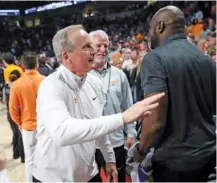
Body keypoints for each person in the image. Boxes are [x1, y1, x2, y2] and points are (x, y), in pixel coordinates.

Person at [31, 25, 164, 182]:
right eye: (87, 46)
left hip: (89, 174)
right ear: (67, 57)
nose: (94, 51)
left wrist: (109, 159)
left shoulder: (94, 82)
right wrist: (122, 118)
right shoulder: (50, 86)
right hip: (53, 178)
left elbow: (97, 125)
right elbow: (62, 133)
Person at [133, 5, 216, 182]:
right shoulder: (205, 59)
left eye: (150, 28)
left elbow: (155, 121)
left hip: (174, 163)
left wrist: (140, 151)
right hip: (208, 156)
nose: (149, 34)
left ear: (160, 27)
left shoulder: (155, 58)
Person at [89, 30, 137, 182]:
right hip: (90, 144)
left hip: (115, 141)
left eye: (106, 46)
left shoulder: (119, 75)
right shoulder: (81, 75)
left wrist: (131, 133)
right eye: (98, 46)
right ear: (89, 47)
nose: (103, 50)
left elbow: (128, 106)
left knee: (117, 179)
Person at [9, 52, 45, 182]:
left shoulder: (17, 85)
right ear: (37, 64)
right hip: (45, 127)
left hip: (28, 127)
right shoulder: (45, 80)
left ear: (22, 66)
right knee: (49, 160)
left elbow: (12, 109)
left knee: (30, 161)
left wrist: (19, 122)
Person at [5, 70, 25, 163]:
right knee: (20, 136)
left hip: (9, 113)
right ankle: (22, 156)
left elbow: (5, 100)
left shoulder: (6, 87)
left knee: (15, 134)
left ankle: (15, 153)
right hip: (18, 113)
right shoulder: (19, 87)